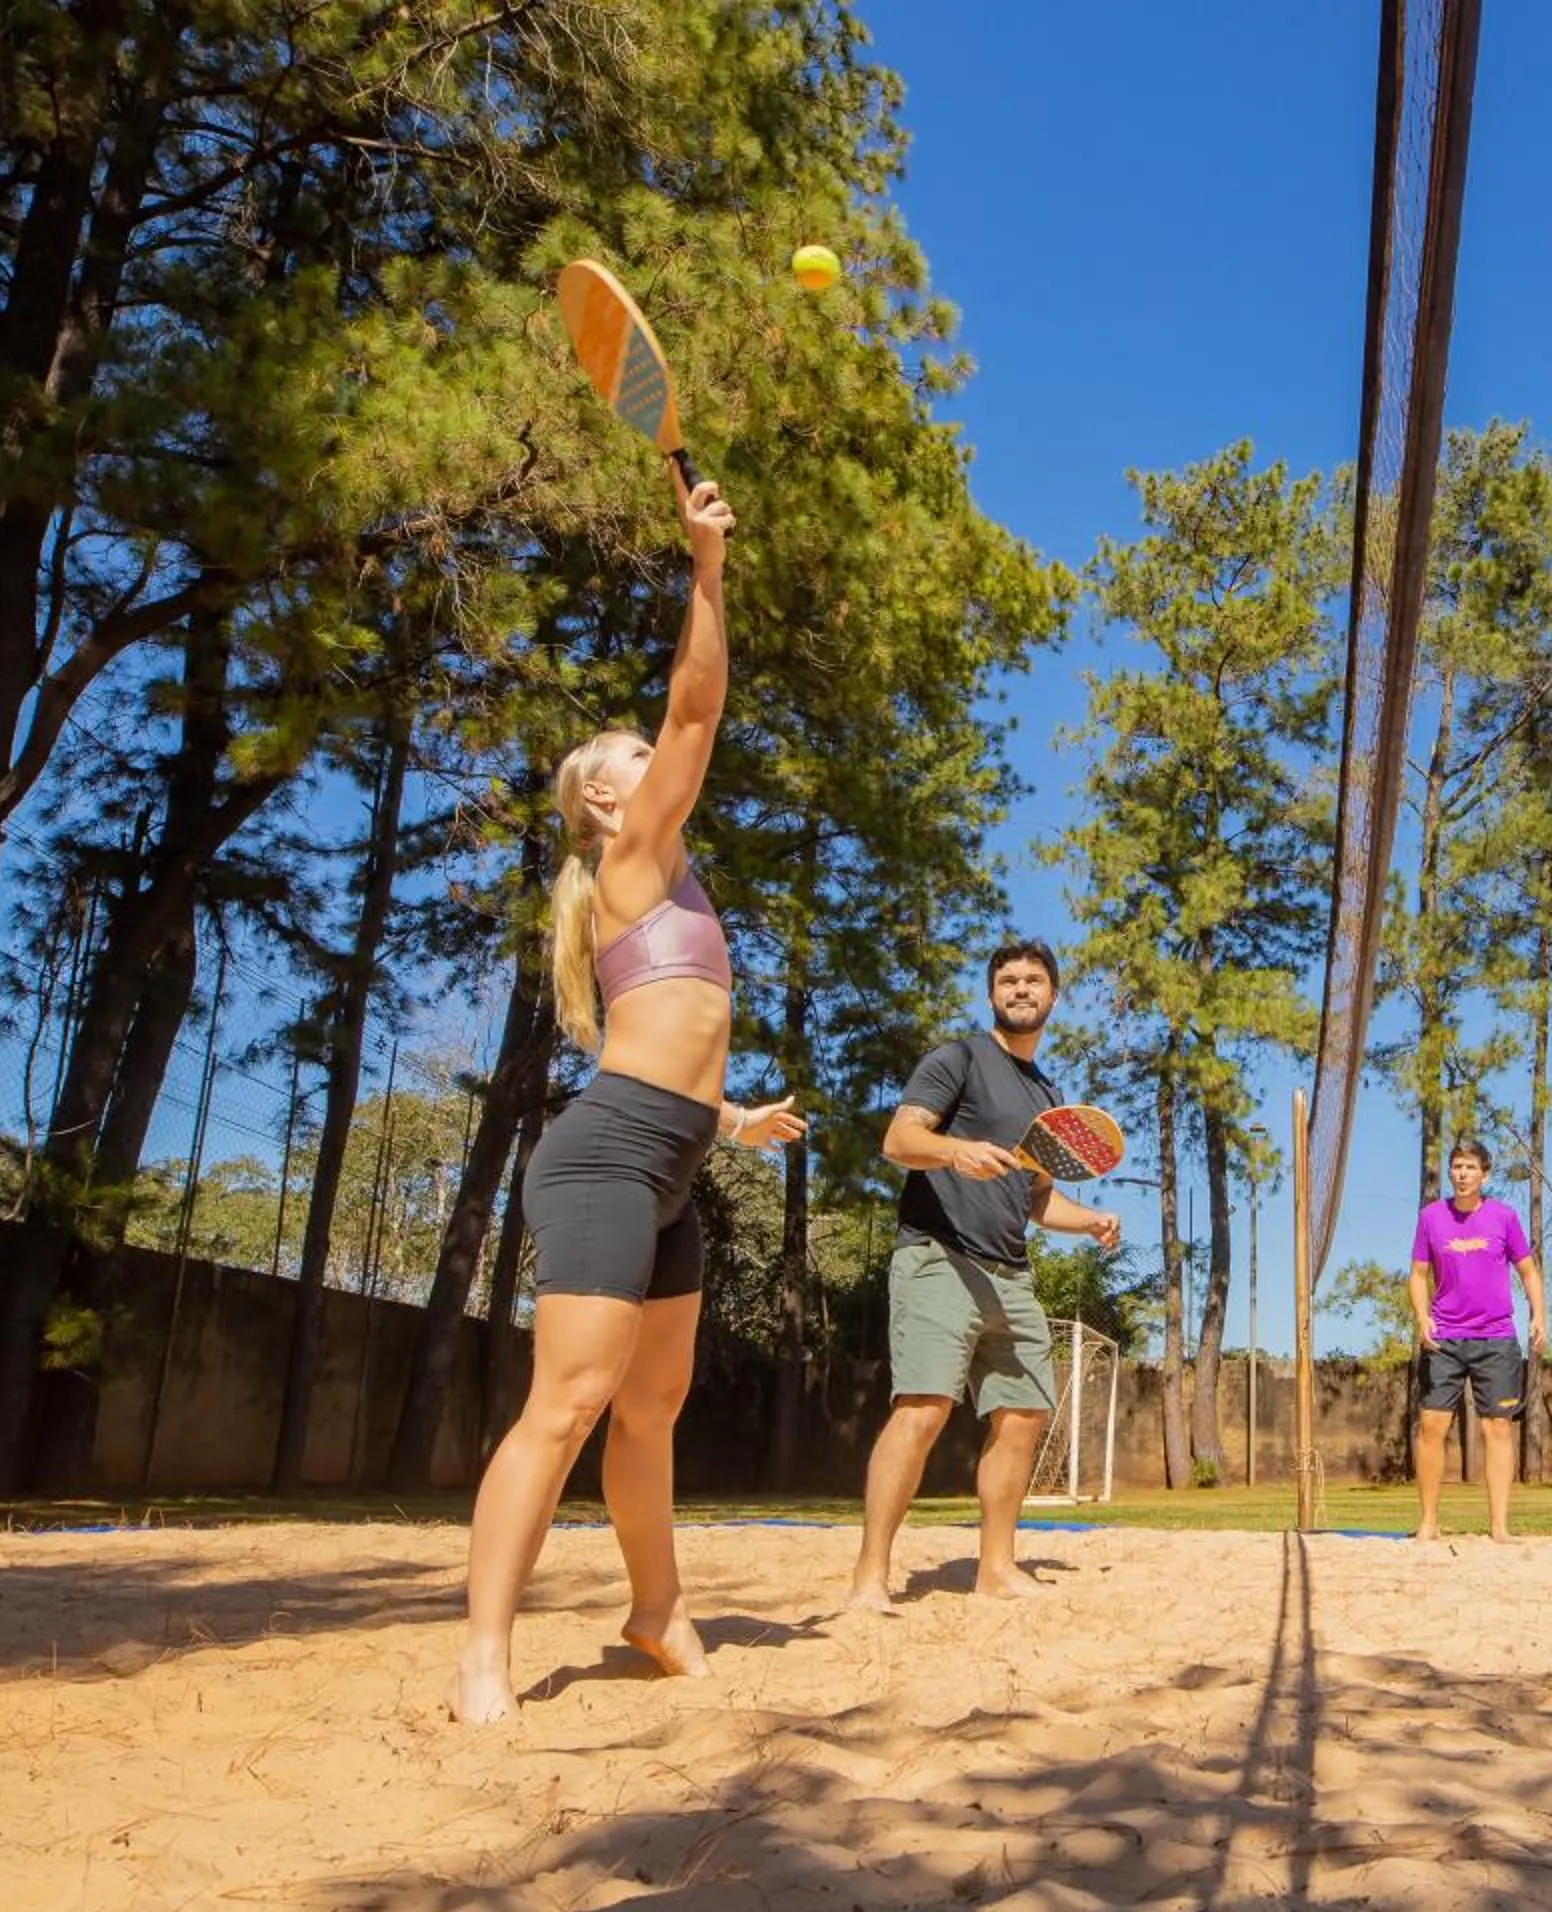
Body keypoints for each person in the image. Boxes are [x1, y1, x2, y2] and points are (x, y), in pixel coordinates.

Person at [454, 470, 807, 1725]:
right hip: (606, 1159)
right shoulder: (632, 848)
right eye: (634, 759)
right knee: (569, 1403)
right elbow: (698, 711)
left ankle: (653, 1607)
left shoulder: (675, 890)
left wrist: (731, 1119)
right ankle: (487, 1652)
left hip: (668, 1154)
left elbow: (662, 1049)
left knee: (650, 1407)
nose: (656, 762)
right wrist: (706, 565)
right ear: (606, 796)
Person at [846, 941, 1121, 1611]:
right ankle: (869, 1579)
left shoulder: (1047, 1096)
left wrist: (1087, 1220)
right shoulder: (958, 1059)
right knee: (923, 1409)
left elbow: (1035, 1199)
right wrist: (955, 1150)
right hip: (940, 1257)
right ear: (992, 994)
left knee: (1024, 1415)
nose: (1020, 988)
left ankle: (995, 1567)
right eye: (1007, 980)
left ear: (1054, 997)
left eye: (1033, 980)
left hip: (1012, 1274)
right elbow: (899, 1140)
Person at [1407, 1139, 1548, 1544]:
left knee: (1498, 1428)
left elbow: (1529, 1272)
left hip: (1496, 1339)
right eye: (1457, 1166)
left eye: (1470, 1167)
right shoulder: (1431, 1218)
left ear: (1485, 1174)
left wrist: (1539, 1315)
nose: (1462, 1174)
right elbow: (1418, 1275)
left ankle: (1500, 1527)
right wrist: (1422, 1318)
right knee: (1432, 1426)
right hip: (1444, 1340)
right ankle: (1429, 1522)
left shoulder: (1504, 1217)